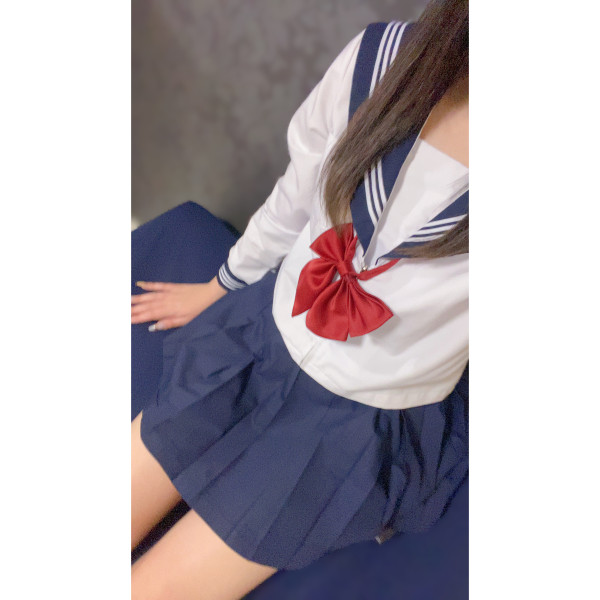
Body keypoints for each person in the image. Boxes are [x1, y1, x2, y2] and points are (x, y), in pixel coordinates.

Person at [131, 0, 469, 598]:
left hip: (358, 423)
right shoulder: (380, 59)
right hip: (261, 332)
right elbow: (297, 193)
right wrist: (224, 284)